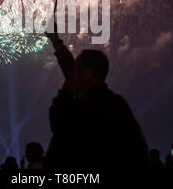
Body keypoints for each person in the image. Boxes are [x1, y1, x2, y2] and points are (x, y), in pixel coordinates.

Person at [44, 28, 148, 172]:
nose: (71, 74)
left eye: (76, 69)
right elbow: (70, 68)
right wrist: (56, 42)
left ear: (87, 74)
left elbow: (58, 123)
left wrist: (66, 91)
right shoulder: (109, 102)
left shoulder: (95, 107)